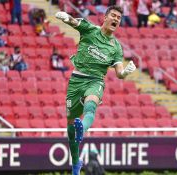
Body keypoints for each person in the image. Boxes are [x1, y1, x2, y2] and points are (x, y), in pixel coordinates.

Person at [55, 5, 136, 175]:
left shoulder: (116, 47)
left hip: (96, 81)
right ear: (105, 18)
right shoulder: (90, 29)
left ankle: (82, 130)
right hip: (77, 80)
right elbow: (74, 22)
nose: (116, 19)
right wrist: (66, 17)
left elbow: (119, 72)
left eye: (118, 18)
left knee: (91, 104)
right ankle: (76, 162)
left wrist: (125, 72)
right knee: (70, 125)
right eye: (113, 15)